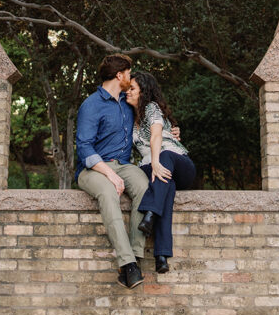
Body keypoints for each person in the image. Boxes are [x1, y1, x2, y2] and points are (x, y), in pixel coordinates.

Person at [75, 53, 149, 289]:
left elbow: (153, 123)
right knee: (108, 193)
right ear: (120, 75)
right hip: (93, 169)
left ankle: (136, 256)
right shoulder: (91, 105)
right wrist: (110, 173)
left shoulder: (129, 103)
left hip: (124, 165)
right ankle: (127, 264)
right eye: (129, 73)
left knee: (144, 186)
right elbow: (84, 147)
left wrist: (172, 132)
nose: (131, 77)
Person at [126, 70, 196, 274]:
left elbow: (156, 136)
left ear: (144, 91)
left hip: (178, 163)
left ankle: (150, 213)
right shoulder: (131, 117)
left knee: (164, 158)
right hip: (160, 174)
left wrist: (156, 161)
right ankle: (162, 256)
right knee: (167, 185)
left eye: (132, 89)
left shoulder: (151, 108)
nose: (127, 92)